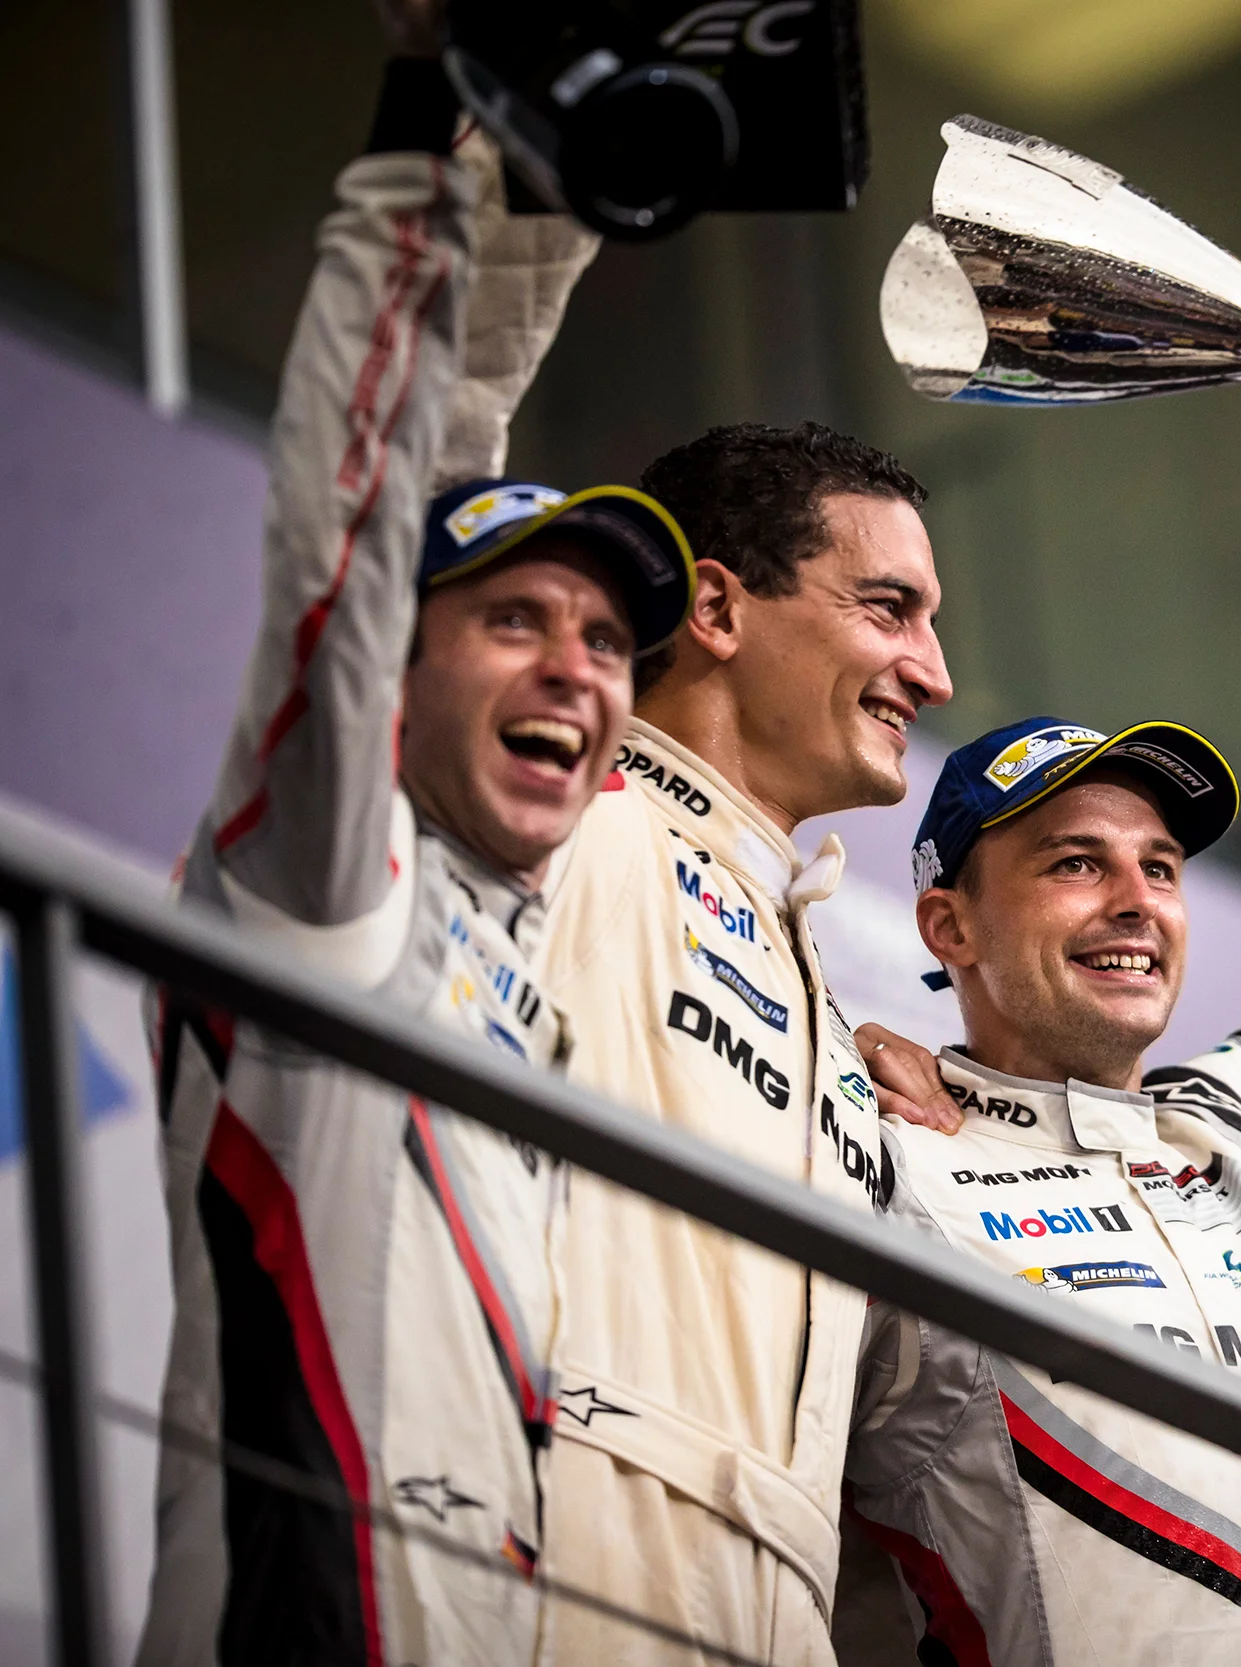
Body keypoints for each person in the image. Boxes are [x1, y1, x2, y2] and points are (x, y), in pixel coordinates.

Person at [140, 35, 694, 1665]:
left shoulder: (525, 968)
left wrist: (564, 178)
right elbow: (357, 525)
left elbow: (461, 436)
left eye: (605, 640)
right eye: (516, 618)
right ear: (395, 674)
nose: (577, 668)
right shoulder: (324, 890)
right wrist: (418, 154)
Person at [838, 317, 1241, 1666]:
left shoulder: (1233, 1133)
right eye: (1075, 862)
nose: (1137, 898)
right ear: (948, 922)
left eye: (1159, 863)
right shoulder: (872, 1149)